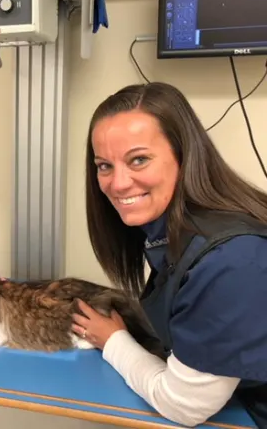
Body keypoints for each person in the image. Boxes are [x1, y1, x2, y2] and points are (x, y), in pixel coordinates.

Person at [71, 82, 267, 428]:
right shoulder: (173, 231)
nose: (117, 184)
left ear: (184, 155)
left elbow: (184, 407)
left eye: (139, 159)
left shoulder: (230, 260)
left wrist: (113, 340)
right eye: (104, 166)